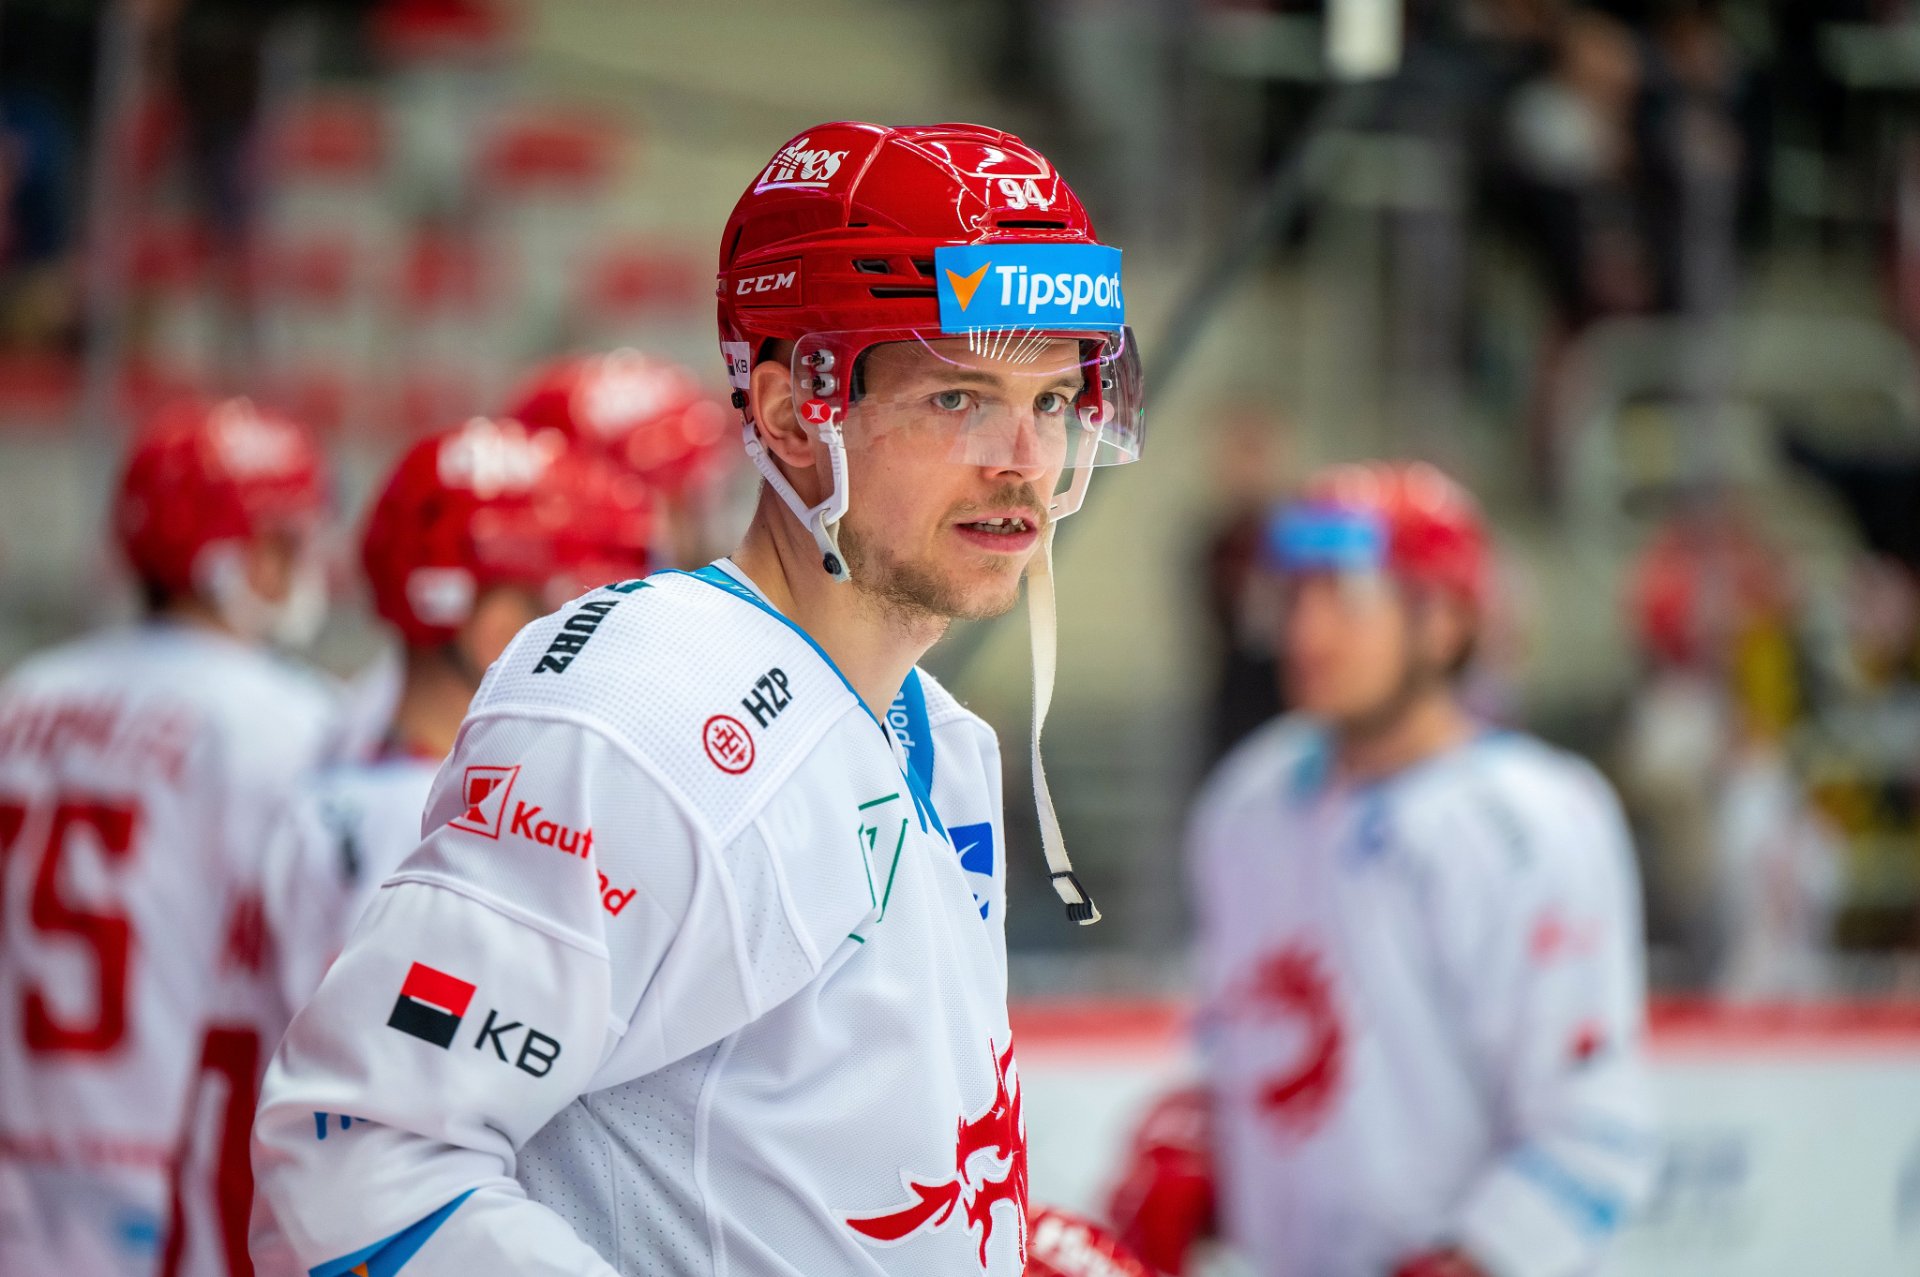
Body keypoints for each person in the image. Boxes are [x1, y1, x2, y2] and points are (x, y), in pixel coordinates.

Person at [250, 120, 1145, 1275]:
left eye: (1055, 398)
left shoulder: (943, 735)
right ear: (790, 413)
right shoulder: (643, 711)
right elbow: (358, 1157)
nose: (1023, 457)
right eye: (958, 398)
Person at [1140, 462, 1658, 1276]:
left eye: (1344, 598)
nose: (1306, 631)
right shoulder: (1249, 800)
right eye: (1294, 597)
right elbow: (1235, 1041)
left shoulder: (1531, 822)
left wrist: (1477, 1258)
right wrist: (1201, 1151)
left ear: (1443, 620)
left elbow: (1589, 1123)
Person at [0, 397, 339, 1275]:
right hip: (175, 1186)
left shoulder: (24, 696)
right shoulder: (291, 725)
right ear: (231, 554)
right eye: (282, 538)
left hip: (23, 1182)